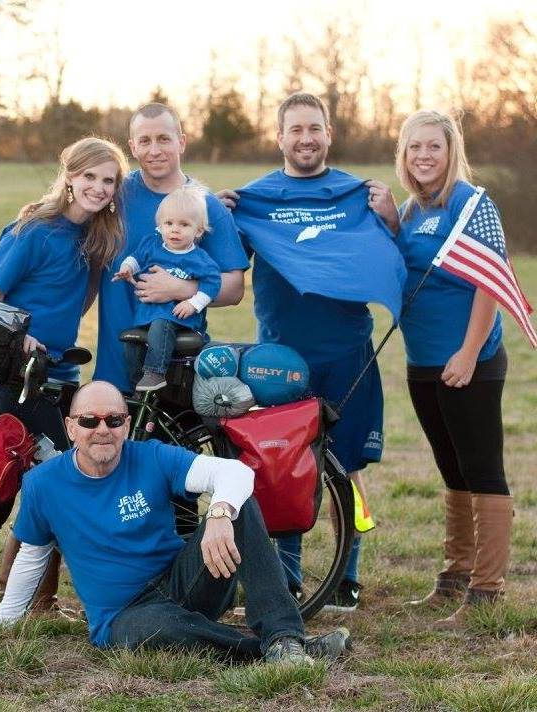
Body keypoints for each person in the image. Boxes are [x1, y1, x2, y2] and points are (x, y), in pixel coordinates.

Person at [0, 380, 351, 663]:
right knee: (152, 631)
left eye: (114, 420)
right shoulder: (43, 484)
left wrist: (220, 514)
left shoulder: (151, 456)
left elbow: (236, 472)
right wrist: (3, 625)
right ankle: (272, 652)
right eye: (90, 421)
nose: (103, 429)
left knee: (239, 504)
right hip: (125, 615)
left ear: (127, 425)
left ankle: (285, 637)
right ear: (71, 428)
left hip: (186, 582)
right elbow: (32, 555)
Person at [218, 92, 400, 612]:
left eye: (314, 128)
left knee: (348, 468)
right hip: (280, 358)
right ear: (279, 137)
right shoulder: (254, 197)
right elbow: (226, 267)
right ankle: (290, 576)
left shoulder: (356, 195)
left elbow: (397, 254)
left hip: (348, 354)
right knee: (281, 467)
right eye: (295, 129)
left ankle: (347, 577)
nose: (305, 138)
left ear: (329, 134)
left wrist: (389, 220)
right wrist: (221, 217)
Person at [0, 136, 129, 612]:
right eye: (90, 177)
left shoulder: (95, 239)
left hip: (59, 372)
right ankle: (28, 593)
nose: (99, 188)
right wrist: (21, 332)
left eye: (108, 181)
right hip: (16, 375)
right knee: (67, 475)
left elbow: (80, 297)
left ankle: (30, 590)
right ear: (69, 175)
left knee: (59, 476)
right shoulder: (33, 230)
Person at [378, 110, 512, 629]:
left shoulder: (471, 204)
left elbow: (489, 283)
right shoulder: (411, 210)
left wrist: (469, 351)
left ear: (451, 150)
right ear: (404, 154)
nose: (424, 156)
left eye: (433, 146)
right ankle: (455, 576)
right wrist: (390, 223)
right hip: (423, 363)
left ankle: (486, 591)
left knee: (482, 469)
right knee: (451, 471)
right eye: (414, 147)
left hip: (468, 362)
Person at [93, 103, 249, 394]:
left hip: (175, 363)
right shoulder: (113, 196)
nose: (155, 150)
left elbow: (235, 288)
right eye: (145, 141)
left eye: (164, 139)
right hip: (114, 363)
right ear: (133, 147)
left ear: (182, 142)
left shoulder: (206, 206)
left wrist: (180, 288)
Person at [113, 185, 222, 391]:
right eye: (168, 223)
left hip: (178, 317)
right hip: (147, 315)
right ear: (159, 227)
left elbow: (213, 283)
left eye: (184, 224)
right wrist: (127, 268)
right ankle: (138, 384)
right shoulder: (152, 245)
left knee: (162, 325)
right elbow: (136, 257)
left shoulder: (199, 259)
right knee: (131, 341)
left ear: (198, 231)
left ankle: (155, 373)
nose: (175, 229)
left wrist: (193, 303)